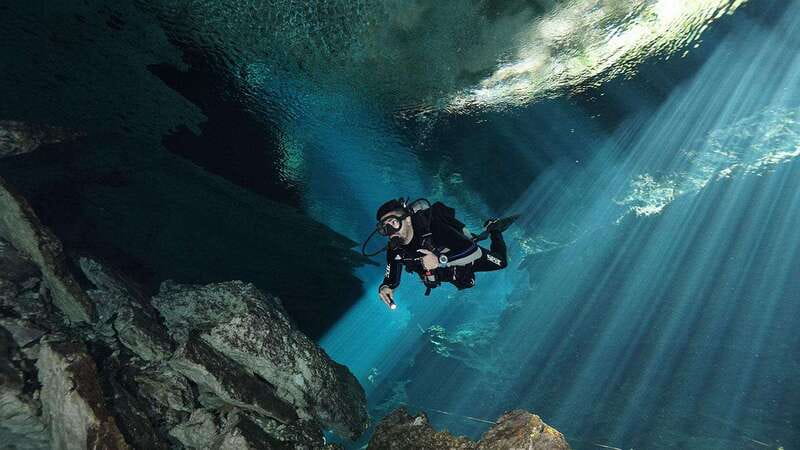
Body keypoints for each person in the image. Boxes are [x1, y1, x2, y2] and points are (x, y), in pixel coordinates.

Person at [374, 198, 515, 309]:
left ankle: (494, 228)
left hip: (467, 257)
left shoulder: (433, 228)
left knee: (501, 262)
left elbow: (473, 251)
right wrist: (386, 287)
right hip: (451, 272)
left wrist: (440, 260)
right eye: (384, 228)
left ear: (408, 220)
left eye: (393, 222)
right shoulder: (395, 249)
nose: (390, 231)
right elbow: (391, 278)